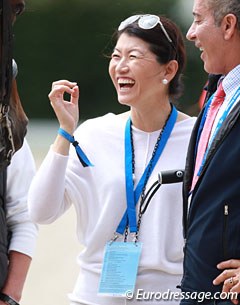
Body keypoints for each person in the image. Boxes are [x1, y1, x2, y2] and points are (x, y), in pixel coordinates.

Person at [28, 14, 196, 305]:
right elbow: (42, 211)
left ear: (168, 69)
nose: (120, 66)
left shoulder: (198, 137)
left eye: (133, 56)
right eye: (116, 55)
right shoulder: (93, 134)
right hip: (93, 298)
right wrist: (65, 132)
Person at [179, 0, 240, 304]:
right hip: (199, 287)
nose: (190, 33)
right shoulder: (218, 91)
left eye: (197, 20)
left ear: (228, 26)